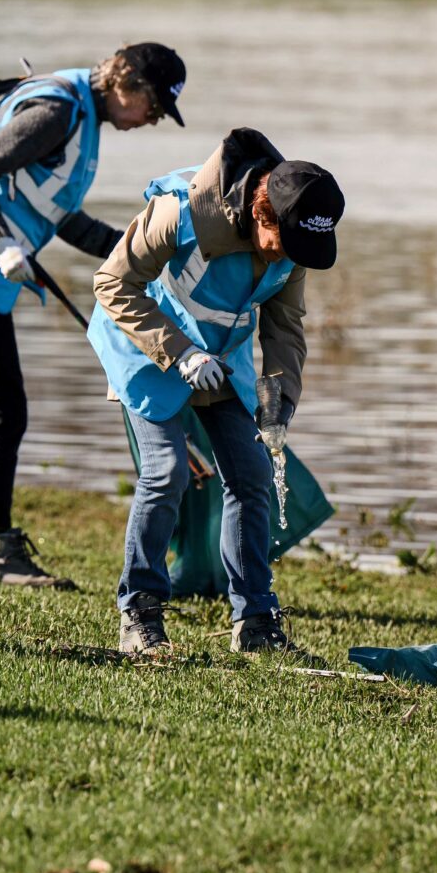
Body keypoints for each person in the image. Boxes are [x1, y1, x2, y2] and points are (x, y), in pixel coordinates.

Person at [0, 43, 188, 588]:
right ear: (126, 84)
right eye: (153, 108)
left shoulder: (85, 121)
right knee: (1, 409)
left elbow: (62, 217)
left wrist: (138, 251)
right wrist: (0, 244)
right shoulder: (60, 110)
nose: (150, 121)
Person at [89, 128, 342, 657]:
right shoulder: (178, 213)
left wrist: (279, 400)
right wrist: (178, 352)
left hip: (222, 361)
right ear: (261, 213)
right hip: (146, 347)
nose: (288, 259)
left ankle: (255, 622)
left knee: (252, 478)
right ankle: (140, 612)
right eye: (286, 243)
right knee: (166, 472)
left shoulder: (292, 248)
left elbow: (285, 328)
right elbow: (112, 284)